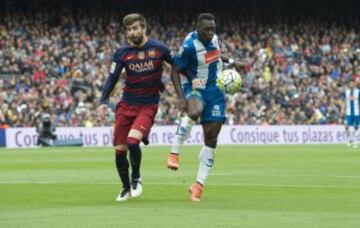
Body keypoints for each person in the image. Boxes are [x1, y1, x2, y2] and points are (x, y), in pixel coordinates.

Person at [99, 13, 173, 202]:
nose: (132, 33)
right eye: (128, 30)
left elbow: (178, 65)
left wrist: (192, 81)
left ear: (143, 28)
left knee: (133, 142)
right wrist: (103, 101)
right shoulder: (122, 53)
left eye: (135, 28)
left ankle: (136, 179)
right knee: (120, 151)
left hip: (147, 106)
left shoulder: (159, 49)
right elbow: (112, 78)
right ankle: (125, 188)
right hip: (126, 105)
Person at [168, 13, 240, 201]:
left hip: (216, 93)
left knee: (211, 138)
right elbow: (174, 70)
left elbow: (216, 56)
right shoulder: (189, 45)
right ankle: (175, 150)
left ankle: (198, 185)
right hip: (196, 87)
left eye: (212, 30)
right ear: (198, 29)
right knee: (194, 111)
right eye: (207, 30)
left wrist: (231, 62)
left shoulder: (214, 39)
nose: (210, 33)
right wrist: (181, 97)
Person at [343, 79, 360, 148]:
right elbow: (345, 101)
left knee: (357, 128)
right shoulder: (346, 92)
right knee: (348, 127)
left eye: (353, 83)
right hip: (349, 112)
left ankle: (355, 141)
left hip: (357, 112)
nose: (351, 84)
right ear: (349, 84)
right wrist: (342, 109)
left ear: (354, 84)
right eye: (350, 83)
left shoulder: (358, 91)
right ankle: (350, 140)